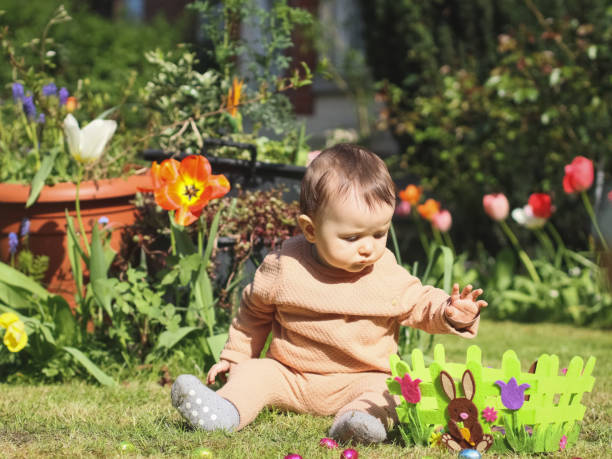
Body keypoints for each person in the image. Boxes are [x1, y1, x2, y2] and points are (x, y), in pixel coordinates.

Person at [171, 143, 487, 443]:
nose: (368, 247)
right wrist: (236, 357)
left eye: (379, 233)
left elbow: (418, 302)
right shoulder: (285, 266)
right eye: (351, 238)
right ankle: (223, 412)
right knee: (254, 374)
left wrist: (448, 311)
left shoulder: (384, 271)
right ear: (310, 230)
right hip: (290, 375)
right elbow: (253, 312)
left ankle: (357, 422)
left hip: (362, 378)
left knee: (389, 390)